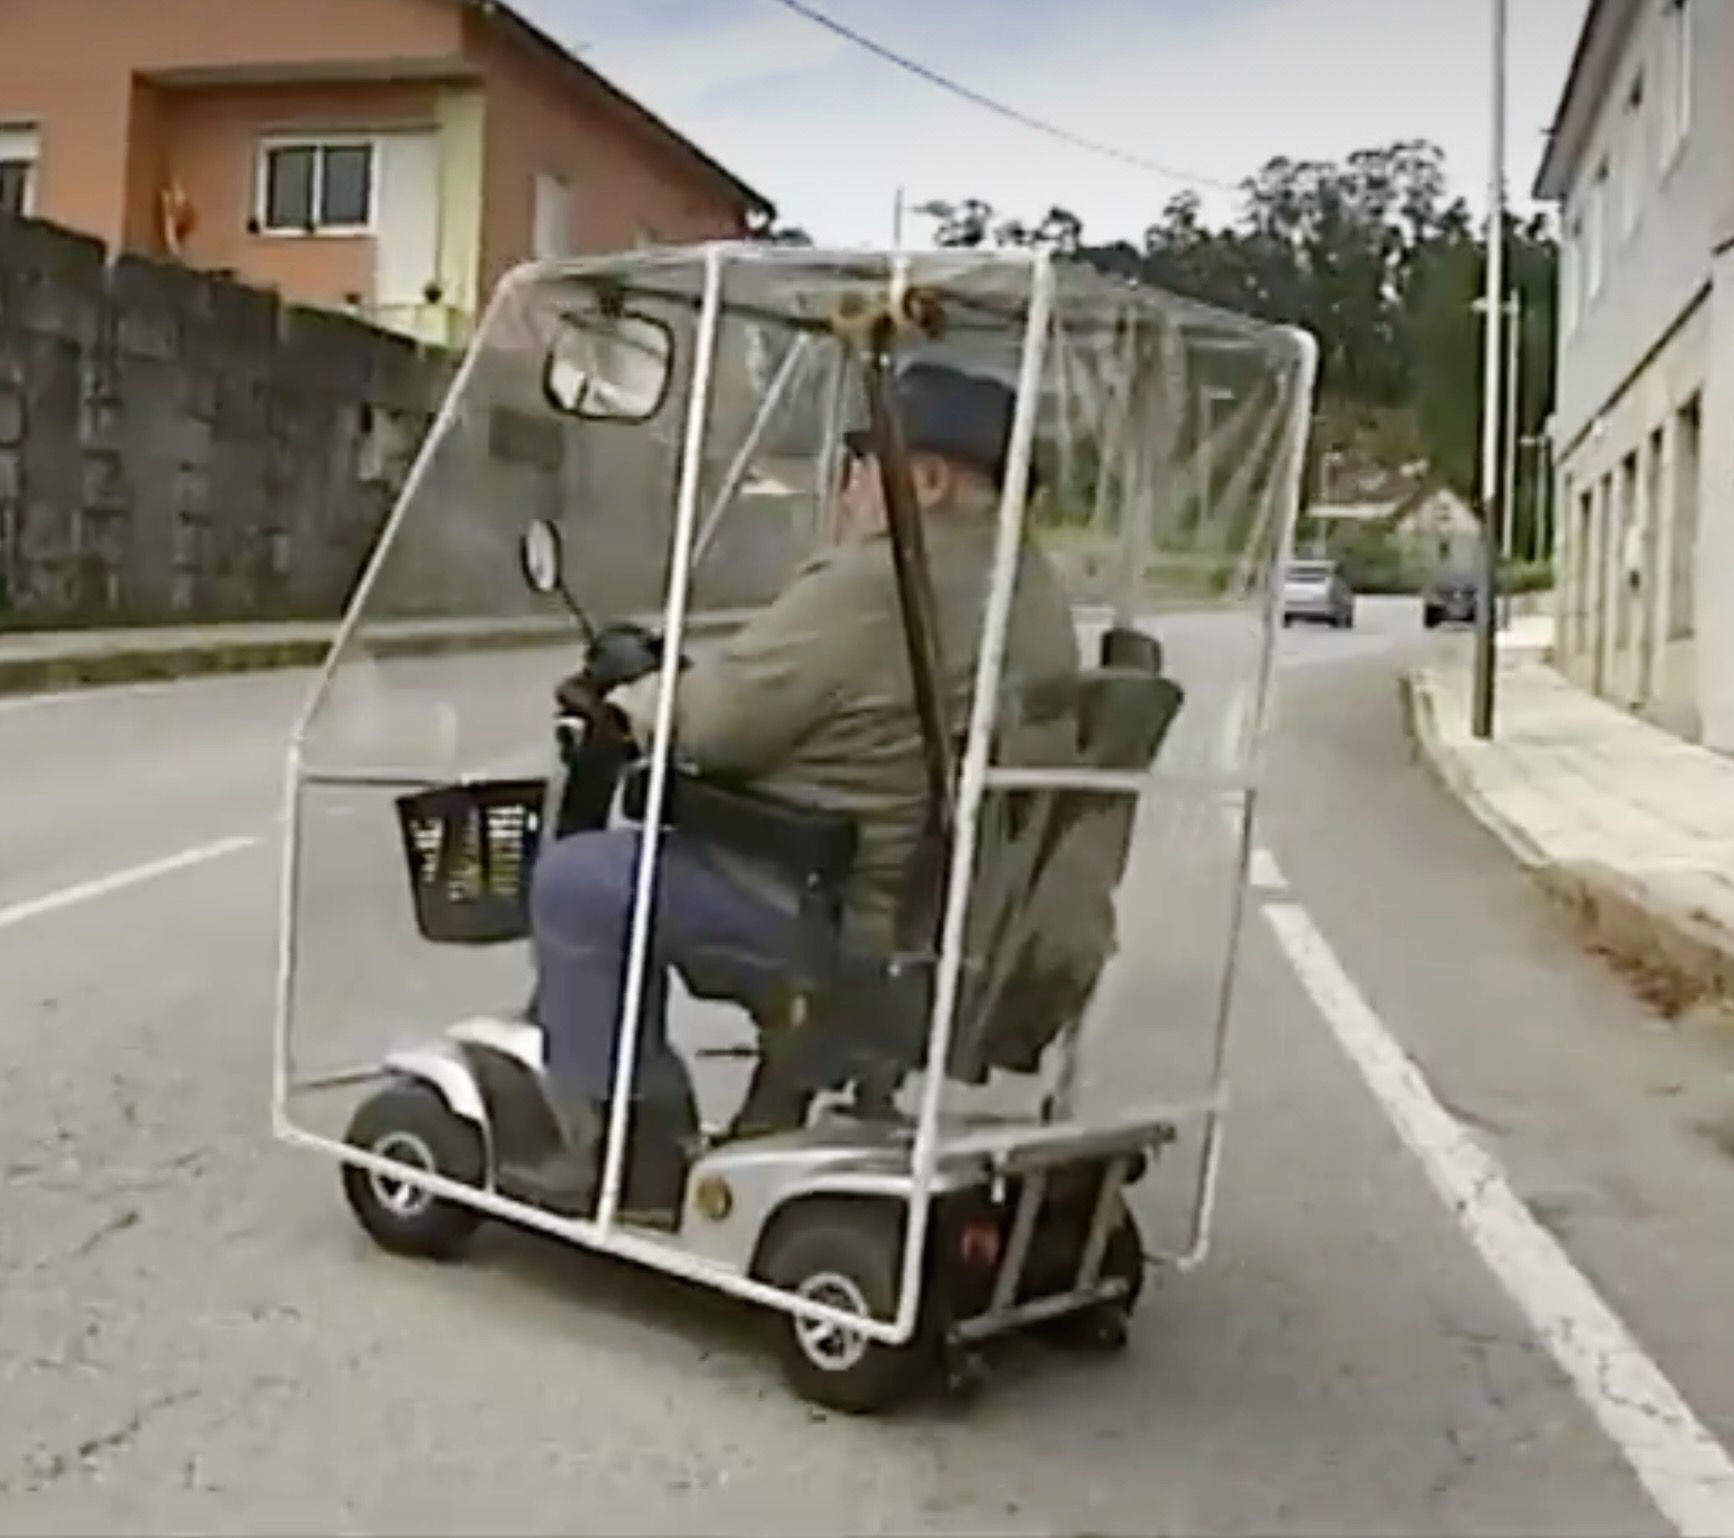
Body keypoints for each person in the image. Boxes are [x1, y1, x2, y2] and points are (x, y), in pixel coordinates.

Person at [521, 361, 1078, 1216]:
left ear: (923, 481)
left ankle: (632, 1149)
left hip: (847, 913)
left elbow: (717, 722)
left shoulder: (884, 580)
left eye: (856, 468)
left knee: (583, 881)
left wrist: (633, 700)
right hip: (959, 922)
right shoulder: (1034, 596)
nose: (844, 493)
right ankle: (780, 1100)